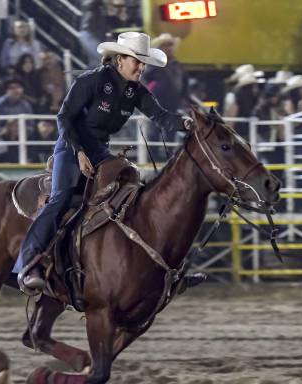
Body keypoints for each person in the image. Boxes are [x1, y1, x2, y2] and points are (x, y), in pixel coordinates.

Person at [14, 32, 193, 293]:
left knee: (129, 190)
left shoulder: (135, 91)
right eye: (137, 61)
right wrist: (79, 153)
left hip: (101, 151)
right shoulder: (92, 81)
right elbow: (65, 118)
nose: (141, 67)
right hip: (72, 146)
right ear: (120, 59)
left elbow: (161, 116)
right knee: (60, 198)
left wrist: (186, 123)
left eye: (143, 63)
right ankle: (28, 264)